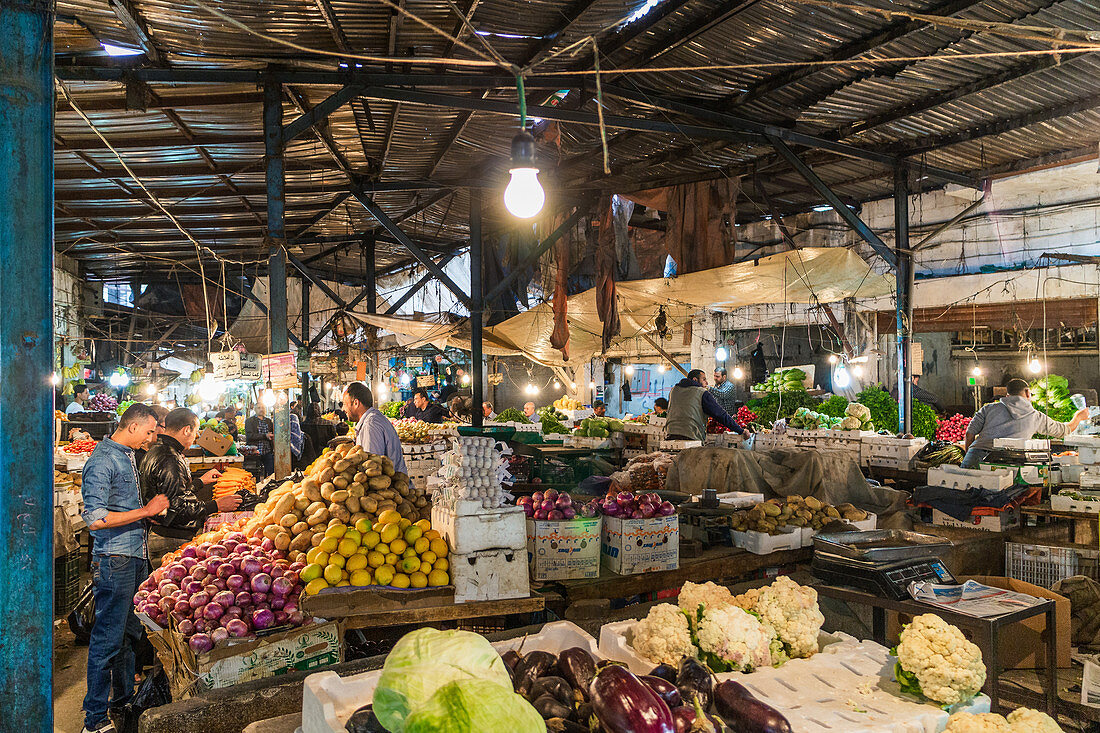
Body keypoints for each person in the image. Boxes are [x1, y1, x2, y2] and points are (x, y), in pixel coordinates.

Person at [80, 404, 169, 733]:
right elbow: (96, 519)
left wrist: (148, 513)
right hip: (114, 560)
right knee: (106, 640)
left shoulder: (129, 454)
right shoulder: (103, 460)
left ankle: (122, 704)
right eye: (149, 432)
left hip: (134, 556)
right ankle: (94, 720)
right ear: (133, 427)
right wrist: (146, 511)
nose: (150, 439)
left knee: (129, 635)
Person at [141, 408, 240, 566]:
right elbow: (177, 508)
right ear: (187, 430)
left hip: (164, 535)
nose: (195, 438)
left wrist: (199, 482)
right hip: (170, 538)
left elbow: (171, 494)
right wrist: (217, 505)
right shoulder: (169, 458)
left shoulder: (157, 451)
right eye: (195, 432)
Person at [961, 378, 1089, 468]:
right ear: (1028, 392)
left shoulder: (988, 408)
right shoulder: (1035, 416)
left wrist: (969, 454)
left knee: (966, 497)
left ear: (1007, 395)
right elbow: (1063, 431)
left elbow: (969, 434)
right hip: (1005, 463)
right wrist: (1078, 417)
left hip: (974, 456)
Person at [666, 369, 750, 442]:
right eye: (704, 379)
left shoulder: (673, 390)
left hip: (670, 434)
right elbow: (720, 414)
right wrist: (740, 430)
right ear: (695, 380)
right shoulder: (701, 392)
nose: (706, 382)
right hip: (691, 436)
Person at [343, 382, 408, 473]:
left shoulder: (370, 425)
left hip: (391, 484)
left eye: (345, 404)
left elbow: (372, 467)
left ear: (356, 403)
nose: (343, 409)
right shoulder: (372, 419)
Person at [134, 404, 169, 469]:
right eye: (165, 427)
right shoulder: (137, 456)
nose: (167, 433)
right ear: (153, 425)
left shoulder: (155, 452)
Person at [245, 403, 275, 477]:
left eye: (262, 408)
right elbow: (250, 436)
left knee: (271, 473)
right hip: (255, 452)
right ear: (255, 409)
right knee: (255, 475)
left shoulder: (268, 421)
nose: (261, 409)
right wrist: (265, 435)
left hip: (267, 451)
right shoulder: (250, 421)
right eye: (259, 408)